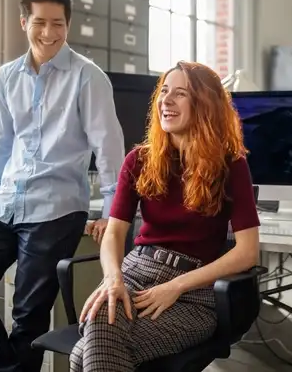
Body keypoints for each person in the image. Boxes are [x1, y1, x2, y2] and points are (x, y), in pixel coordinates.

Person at [0, 0, 125, 372]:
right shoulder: (7, 77)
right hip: (4, 205)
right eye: (40, 22)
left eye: (58, 23)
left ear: (68, 25)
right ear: (24, 22)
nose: (49, 32)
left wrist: (110, 211)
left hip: (57, 210)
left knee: (28, 317)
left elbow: (109, 151)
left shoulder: (88, 78)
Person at [69, 61, 261, 372]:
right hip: (135, 272)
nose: (166, 101)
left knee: (84, 354)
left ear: (204, 105)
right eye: (164, 91)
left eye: (180, 94)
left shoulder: (231, 165)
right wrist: (113, 278)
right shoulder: (139, 160)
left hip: (193, 294)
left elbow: (247, 252)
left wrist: (176, 286)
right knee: (105, 316)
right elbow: (115, 234)